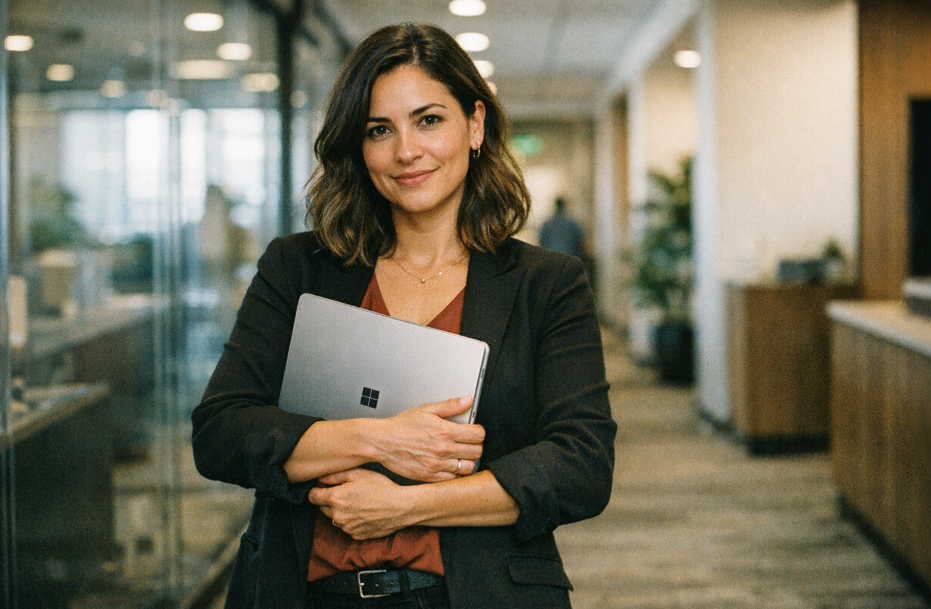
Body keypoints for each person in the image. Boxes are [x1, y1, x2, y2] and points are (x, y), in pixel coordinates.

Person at [191, 23, 616, 609]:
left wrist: (407, 506)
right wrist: (382, 440)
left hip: (476, 595)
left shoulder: (547, 285)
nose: (405, 151)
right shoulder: (299, 269)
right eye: (379, 130)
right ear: (358, 147)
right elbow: (220, 433)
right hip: (306, 593)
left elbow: (581, 466)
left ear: (475, 125)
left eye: (429, 120)